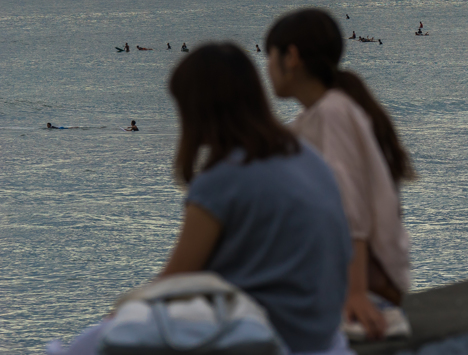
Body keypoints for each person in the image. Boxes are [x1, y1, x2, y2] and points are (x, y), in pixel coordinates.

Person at [51, 44, 353, 355]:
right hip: (322, 334)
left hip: (270, 336)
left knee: (93, 341)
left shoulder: (224, 179)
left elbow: (174, 281)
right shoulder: (307, 157)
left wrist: (119, 311)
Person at [266, 9, 414, 342]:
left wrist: (356, 293)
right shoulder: (321, 114)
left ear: (291, 57)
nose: (267, 67)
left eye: (269, 55)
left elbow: (351, 208)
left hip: (365, 280)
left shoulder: (333, 113)